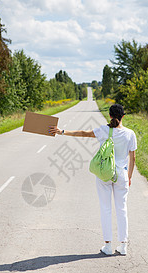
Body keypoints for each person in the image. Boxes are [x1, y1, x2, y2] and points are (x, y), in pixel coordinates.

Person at [49, 104, 137, 256]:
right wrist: (129, 177)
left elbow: (83, 133)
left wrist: (62, 131)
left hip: (104, 174)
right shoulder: (130, 134)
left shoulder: (104, 130)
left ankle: (108, 246)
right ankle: (123, 246)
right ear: (123, 116)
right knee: (122, 209)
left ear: (110, 116)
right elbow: (132, 158)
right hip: (121, 175)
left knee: (105, 208)